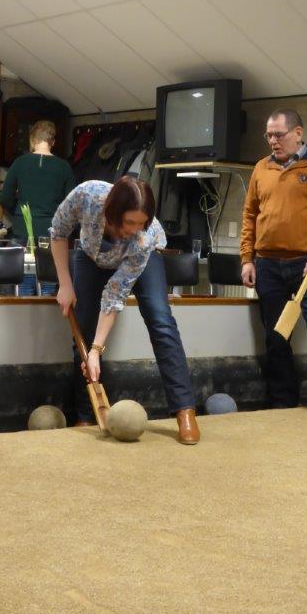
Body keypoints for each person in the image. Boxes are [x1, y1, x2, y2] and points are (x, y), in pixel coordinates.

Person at [49, 176, 200, 445]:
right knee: (84, 327)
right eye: (130, 222)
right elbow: (58, 232)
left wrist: (97, 350)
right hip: (92, 255)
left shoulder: (143, 238)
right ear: (112, 212)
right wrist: (65, 284)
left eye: (142, 222)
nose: (134, 229)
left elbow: (115, 294)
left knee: (160, 319)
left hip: (142, 258)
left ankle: (184, 410)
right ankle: (86, 414)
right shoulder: (87, 195)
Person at [240, 109, 307, 422]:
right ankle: (282, 400)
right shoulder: (261, 168)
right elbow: (249, 215)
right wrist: (247, 258)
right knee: (276, 334)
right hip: (267, 264)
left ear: (297, 133)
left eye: (279, 134)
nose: (273, 140)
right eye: (269, 135)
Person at [0, 120, 75, 295]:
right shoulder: (64, 167)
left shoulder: (19, 163)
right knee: (47, 286)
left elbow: (5, 198)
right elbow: (71, 205)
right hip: (51, 232)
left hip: (22, 231)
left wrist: (18, 213)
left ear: (32, 139)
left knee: (24, 287)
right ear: (53, 142)